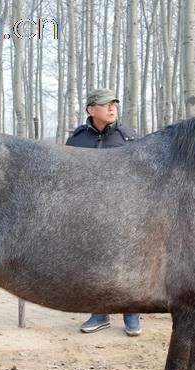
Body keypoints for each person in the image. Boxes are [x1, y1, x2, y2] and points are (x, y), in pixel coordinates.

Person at [66, 88, 141, 336]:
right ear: (91, 110)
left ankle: (131, 314)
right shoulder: (76, 140)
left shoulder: (127, 137)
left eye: (114, 104)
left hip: (125, 211)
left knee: (129, 263)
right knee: (94, 264)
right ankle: (99, 314)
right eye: (105, 104)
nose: (111, 108)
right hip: (89, 214)